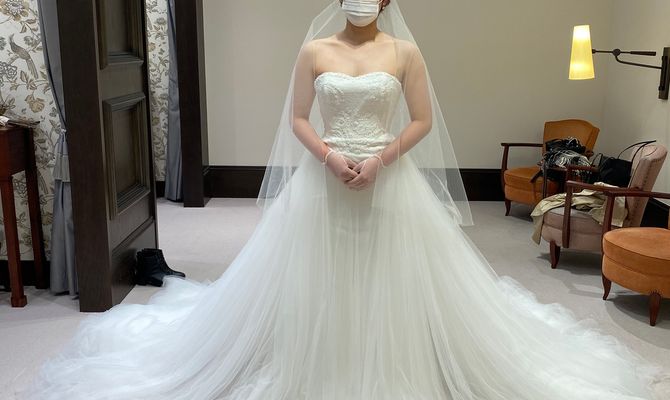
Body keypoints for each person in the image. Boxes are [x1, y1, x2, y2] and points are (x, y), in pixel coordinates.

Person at [21, 1, 668, 399]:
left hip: (389, 177)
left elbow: (421, 120)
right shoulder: (314, 49)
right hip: (324, 176)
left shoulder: (405, 52)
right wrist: (331, 158)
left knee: (396, 276)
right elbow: (299, 118)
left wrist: (381, 160)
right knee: (312, 273)